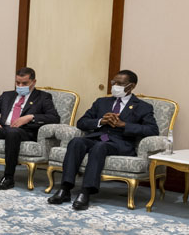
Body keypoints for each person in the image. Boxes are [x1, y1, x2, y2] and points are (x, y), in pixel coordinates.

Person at [48, 70, 158, 210]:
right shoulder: (101, 102)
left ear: (131, 86)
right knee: (76, 142)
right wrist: (100, 121)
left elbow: (152, 130)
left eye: (120, 84)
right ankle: (65, 188)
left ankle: (85, 192)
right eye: (114, 82)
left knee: (100, 147)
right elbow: (82, 122)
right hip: (98, 137)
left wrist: (124, 125)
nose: (115, 86)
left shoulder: (143, 107)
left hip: (120, 142)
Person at [0, 67, 59, 190]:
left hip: (25, 131)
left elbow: (54, 117)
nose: (20, 86)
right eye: (18, 83)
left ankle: (8, 177)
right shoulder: (7, 95)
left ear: (33, 82)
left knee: (12, 132)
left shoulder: (43, 97)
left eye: (24, 83)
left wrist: (30, 117)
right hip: (4, 127)